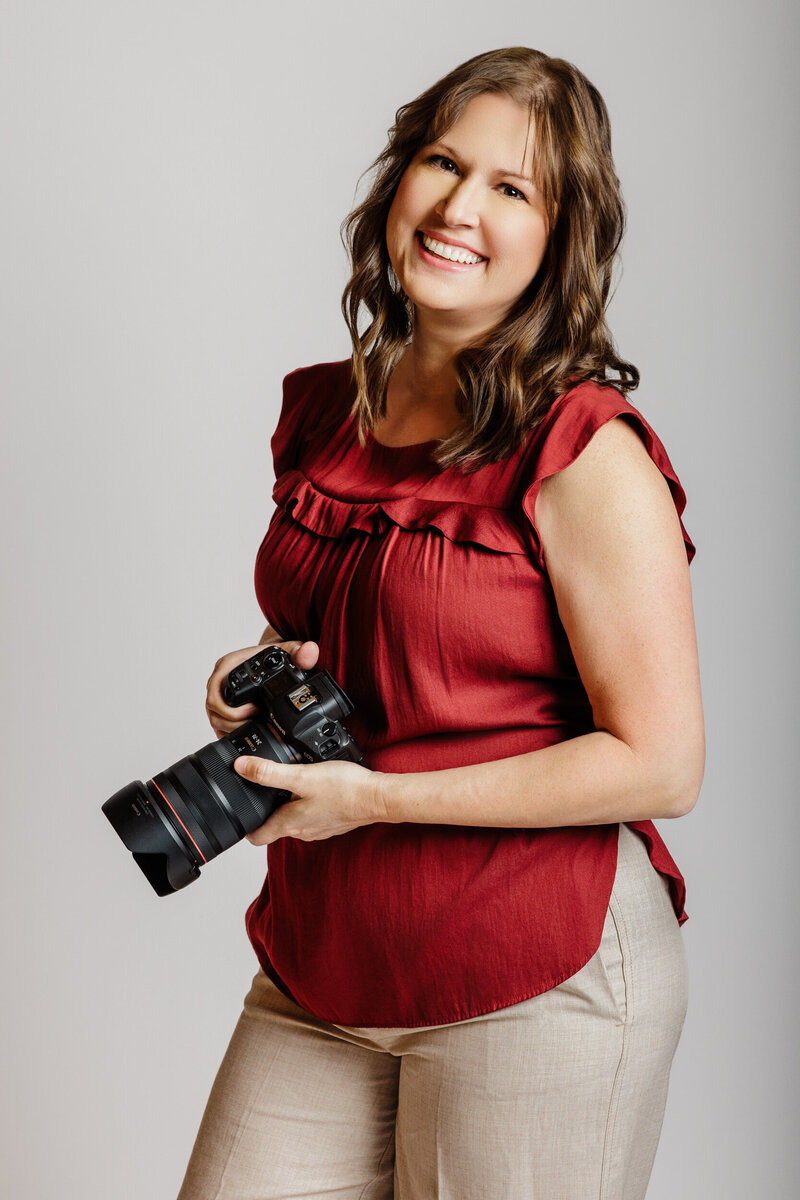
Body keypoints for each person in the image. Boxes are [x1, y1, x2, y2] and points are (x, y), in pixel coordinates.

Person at [177, 46, 704, 1200]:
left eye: (511, 190)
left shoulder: (584, 448)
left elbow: (662, 764)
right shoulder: (329, 407)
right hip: (327, 961)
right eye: (441, 162)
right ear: (398, 176)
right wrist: (253, 680)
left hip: (536, 973)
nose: (459, 208)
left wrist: (375, 803)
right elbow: (376, 644)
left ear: (560, 241)